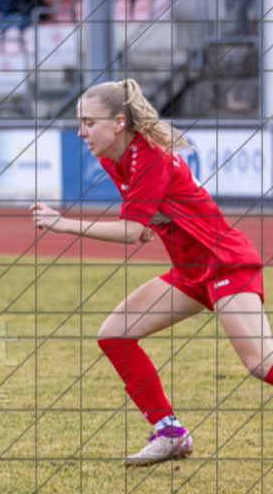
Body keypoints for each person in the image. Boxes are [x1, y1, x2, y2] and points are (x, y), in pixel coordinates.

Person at [32, 79, 273, 467]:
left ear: (118, 122)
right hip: (191, 271)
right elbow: (144, 226)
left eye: (88, 122)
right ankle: (170, 432)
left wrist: (63, 224)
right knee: (115, 334)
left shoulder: (149, 157)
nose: (81, 132)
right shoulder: (113, 157)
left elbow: (131, 232)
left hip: (225, 263)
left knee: (262, 364)